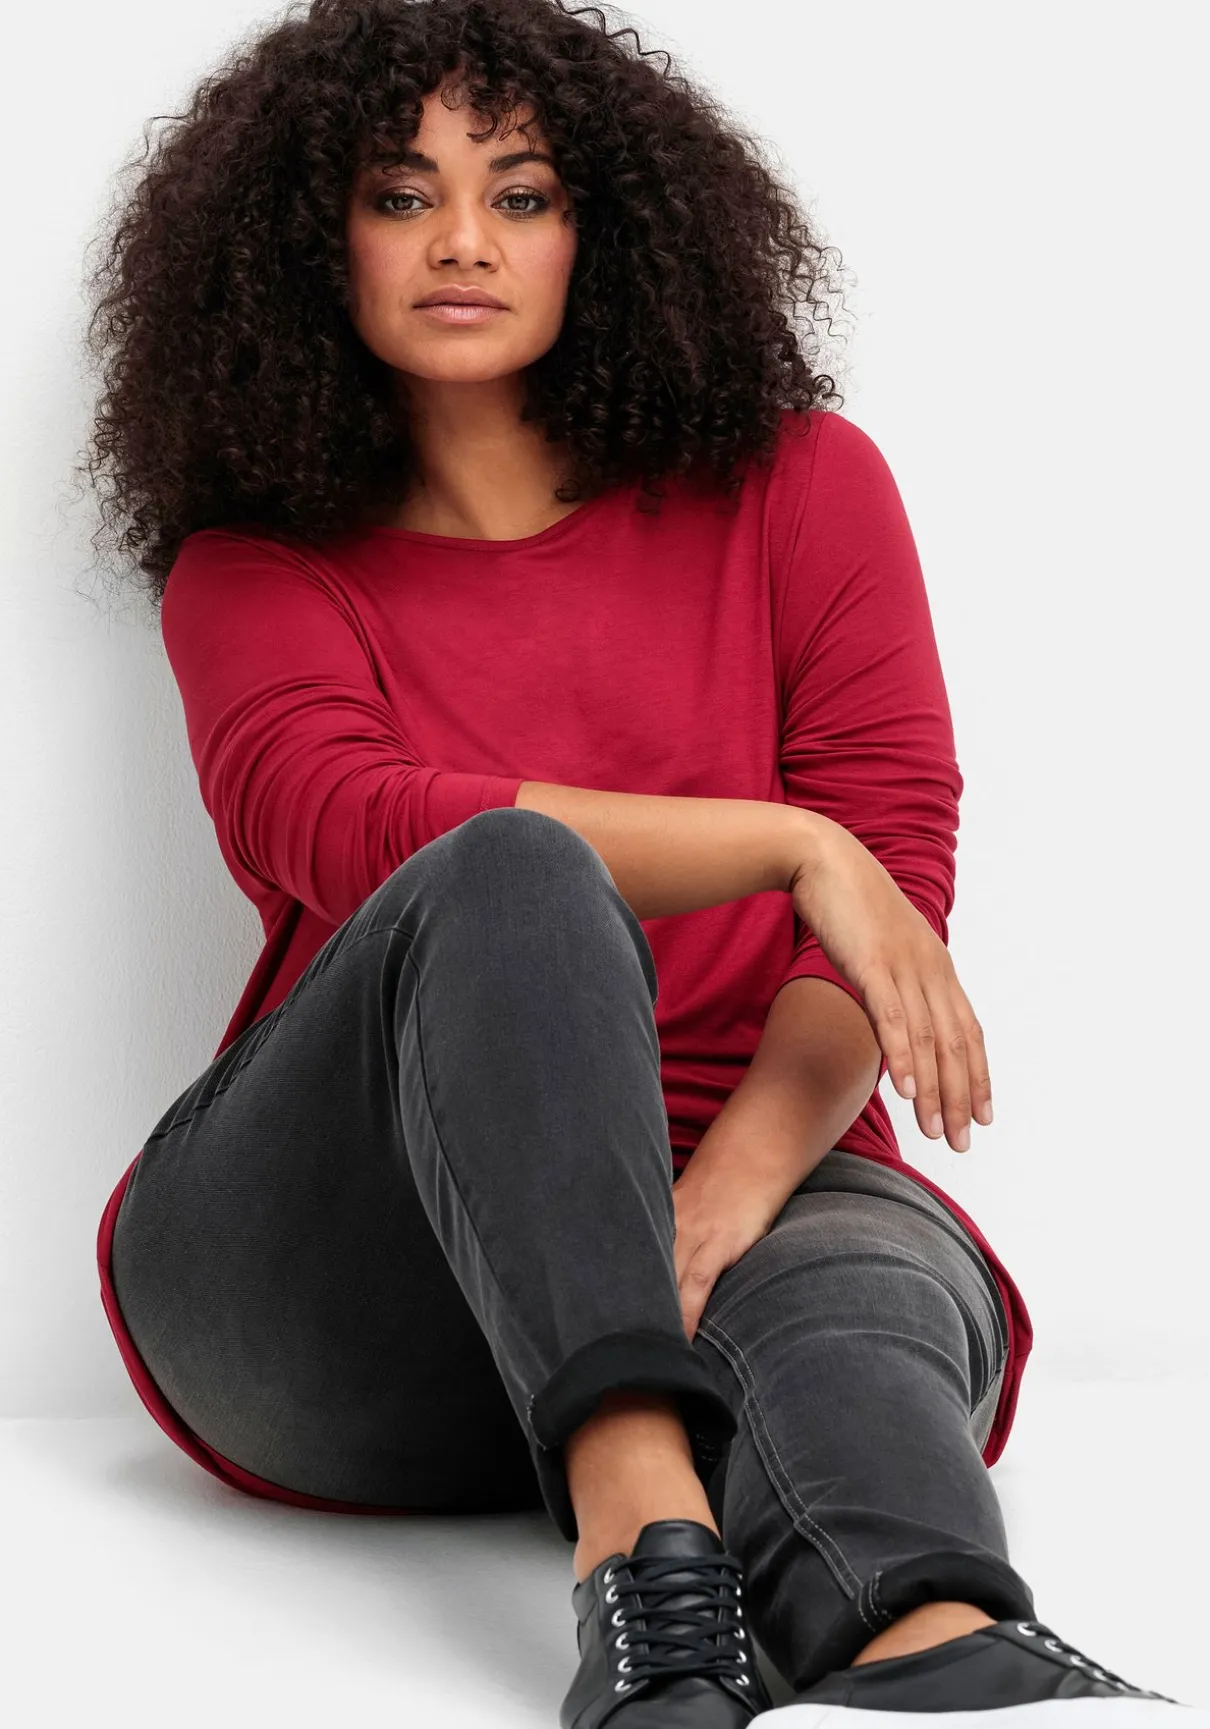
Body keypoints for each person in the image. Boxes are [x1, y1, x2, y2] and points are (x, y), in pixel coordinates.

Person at [81, 2, 1190, 1723]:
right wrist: (790, 842)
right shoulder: (257, 568)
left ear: (605, 234)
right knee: (510, 867)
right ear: (310, 247)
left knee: (853, 1298)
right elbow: (338, 816)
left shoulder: (802, 487)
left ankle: (935, 1650)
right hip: (343, 1286)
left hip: (750, 1192)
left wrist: (729, 1189)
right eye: (400, 196)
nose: (463, 240)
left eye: (520, 196)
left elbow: (885, 883)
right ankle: (640, 1532)